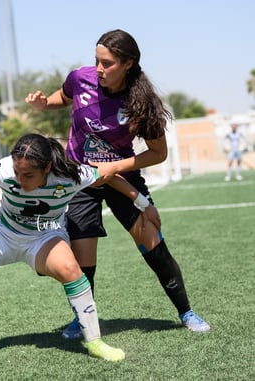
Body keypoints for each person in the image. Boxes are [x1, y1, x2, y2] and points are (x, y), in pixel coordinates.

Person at [0, 133, 160, 362]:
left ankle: (94, 342)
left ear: (47, 167)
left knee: (72, 270)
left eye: (28, 175)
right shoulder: (3, 169)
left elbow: (109, 176)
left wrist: (142, 203)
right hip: (1, 233)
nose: (20, 179)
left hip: (44, 237)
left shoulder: (71, 175)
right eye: (17, 172)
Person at [25, 29, 210, 339]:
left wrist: (115, 167)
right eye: (97, 61)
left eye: (107, 63)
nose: (99, 69)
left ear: (128, 64)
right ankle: (82, 320)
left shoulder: (143, 103)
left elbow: (158, 153)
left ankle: (185, 312)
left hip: (123, 177)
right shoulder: (79, 79)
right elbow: (64, 97)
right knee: (83, 258)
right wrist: (45, 104)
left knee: (152, 243)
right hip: (81, 179)